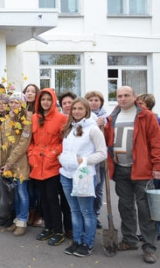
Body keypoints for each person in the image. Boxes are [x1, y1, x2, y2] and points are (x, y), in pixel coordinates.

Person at [104, 86, 160, 264]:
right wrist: (104, 126)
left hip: (142, 169)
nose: (123, 99)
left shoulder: (146, 116)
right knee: (125, 206)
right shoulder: (113, 116)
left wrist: (158, 166)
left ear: (134, 96)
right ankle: (130, 240)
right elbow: (109, 139)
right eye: (120, 96)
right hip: (120, 169)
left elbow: (156, 142)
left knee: (145, 209)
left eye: (126, 95)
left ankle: (149, 247)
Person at [58, 98, 107, 257]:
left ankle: (88, 243)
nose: (77, 111)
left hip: (83, 175)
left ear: (87, 110)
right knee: (74, 211)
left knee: (86, 211)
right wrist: (62, 158)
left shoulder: (93, 129)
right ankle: (77, 241)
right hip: (66, 175)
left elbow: (102, 153)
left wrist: (83, 161)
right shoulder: (69, 128)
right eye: (74, 109)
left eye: (80, 108)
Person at [28, 88, 70, 246]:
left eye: (48, 99)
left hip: (52, 164)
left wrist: (54, 153)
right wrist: (31, 153)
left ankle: (58, 231)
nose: (45, 102)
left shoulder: (61, 118)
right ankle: (49, 228)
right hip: (37, 163)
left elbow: (65, 141)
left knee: (52, 199)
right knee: (43, 199)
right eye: (43, 99)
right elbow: (30, 140)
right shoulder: (34, 117)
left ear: (53, 101)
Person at [0, 92, 33, 235]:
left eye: (17, 102)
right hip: (7, 164)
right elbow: (0, 142)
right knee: (14, 193)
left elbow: (23, 143)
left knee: (22, 192)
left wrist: (10, 163)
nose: (13, 105)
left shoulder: (27, 119)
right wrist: (0, 164)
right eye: (11, 102)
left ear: (22, 103)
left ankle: (22, 222)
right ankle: (16, 220)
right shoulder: (6, 119)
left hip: (20, 162)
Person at [135, 93, 160, 241]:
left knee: (153, 201)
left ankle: (156, 231)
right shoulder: (137, 120)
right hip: (141, 168)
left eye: (141, 104)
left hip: (154, 169)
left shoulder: (158, 121)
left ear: (148, 106)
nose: (138, 106)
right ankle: (149, 232)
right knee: (144, 202)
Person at [84, 90, 108, 229]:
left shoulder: (106, 117)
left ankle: (95, 214)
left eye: (96, 100)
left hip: (99, 160)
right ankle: (87, 216)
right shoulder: (83, 116)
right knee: (86, 187)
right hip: (86, 159)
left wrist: (102, 125)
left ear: (101, 102)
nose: (93, 102)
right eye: (90, 100)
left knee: (98, 190)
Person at [23, 84, 43, 227]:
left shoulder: (39, 112)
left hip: (36, 152)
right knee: (27, 186)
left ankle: (37, 213)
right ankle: (29, 212)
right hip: (22, 152)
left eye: (33, 92)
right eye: (27, 91)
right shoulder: (21, 109)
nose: (29, 94)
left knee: (35, 186)